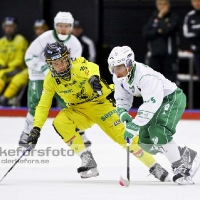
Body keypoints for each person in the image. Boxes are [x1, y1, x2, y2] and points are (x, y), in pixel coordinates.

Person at [26, 41, 171, 181]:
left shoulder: (78, 65)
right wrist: (36, 128)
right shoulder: (50, 80)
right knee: (60, 122)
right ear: (49, 64)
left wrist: (93, 78)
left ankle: (154, 166)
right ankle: (86, 158)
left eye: (62, 61)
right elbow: (43, 106)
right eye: (55, 64)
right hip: (78, 110)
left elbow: (92, 67)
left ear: (67, 58)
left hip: (101, 104)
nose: (60, 67)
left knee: (123, 137)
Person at [107, 45, 200, 184]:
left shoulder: (145, 76)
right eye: (113, 67)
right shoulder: (118, 77)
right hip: (155, 102)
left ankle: (181, 168)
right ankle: (184, 154)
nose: (116, 71)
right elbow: (122, 99)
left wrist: (132, 127)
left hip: (171, 98)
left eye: (119, 67)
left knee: (158, 131)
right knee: (145, 142)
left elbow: (151, 105)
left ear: (129, 64)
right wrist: (122, 113)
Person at [18, 12, 91, 149]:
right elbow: (28, 57)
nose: (63, 29)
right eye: (60, 25)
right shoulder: (44, 38)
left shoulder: (75, 43)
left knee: (70, 102)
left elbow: (75, 64)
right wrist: (44, 68)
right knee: (36, 105)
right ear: (55, 25)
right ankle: (27, 133)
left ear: (71, 27)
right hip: (39, 75)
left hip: (61, 76)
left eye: (67, 26)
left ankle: (79, 131)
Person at [143, 0, 180, 83]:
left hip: (169, 55)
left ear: (168, 5)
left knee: (170, 81)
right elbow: (145, 33)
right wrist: (157, 31)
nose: (162, 6)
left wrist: (160, 18)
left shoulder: (173, 17)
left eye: (164, 4)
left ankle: (170, 96)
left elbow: (166, 30)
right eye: (160, 4)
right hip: (155, 54)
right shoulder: (153, 17)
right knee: (155, 81)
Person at [0, 17, 29, 106]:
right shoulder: (2, 41)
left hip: (20, 69)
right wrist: (3, 64)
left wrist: (10, 67)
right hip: (7, 69)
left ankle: (5, 98)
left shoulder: (21, 40)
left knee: (19, 78)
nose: (9, 29)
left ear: (15, 28)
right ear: (3, 28)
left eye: (11, 27)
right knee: (1, 74)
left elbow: (20, 60)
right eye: (7, 26)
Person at [183, 0, 200, 81]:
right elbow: (186, 33)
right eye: (195, 1)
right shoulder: (189, 16)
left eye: (199, 1)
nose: (197, 3)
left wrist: (196, 32)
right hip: (197, 51)